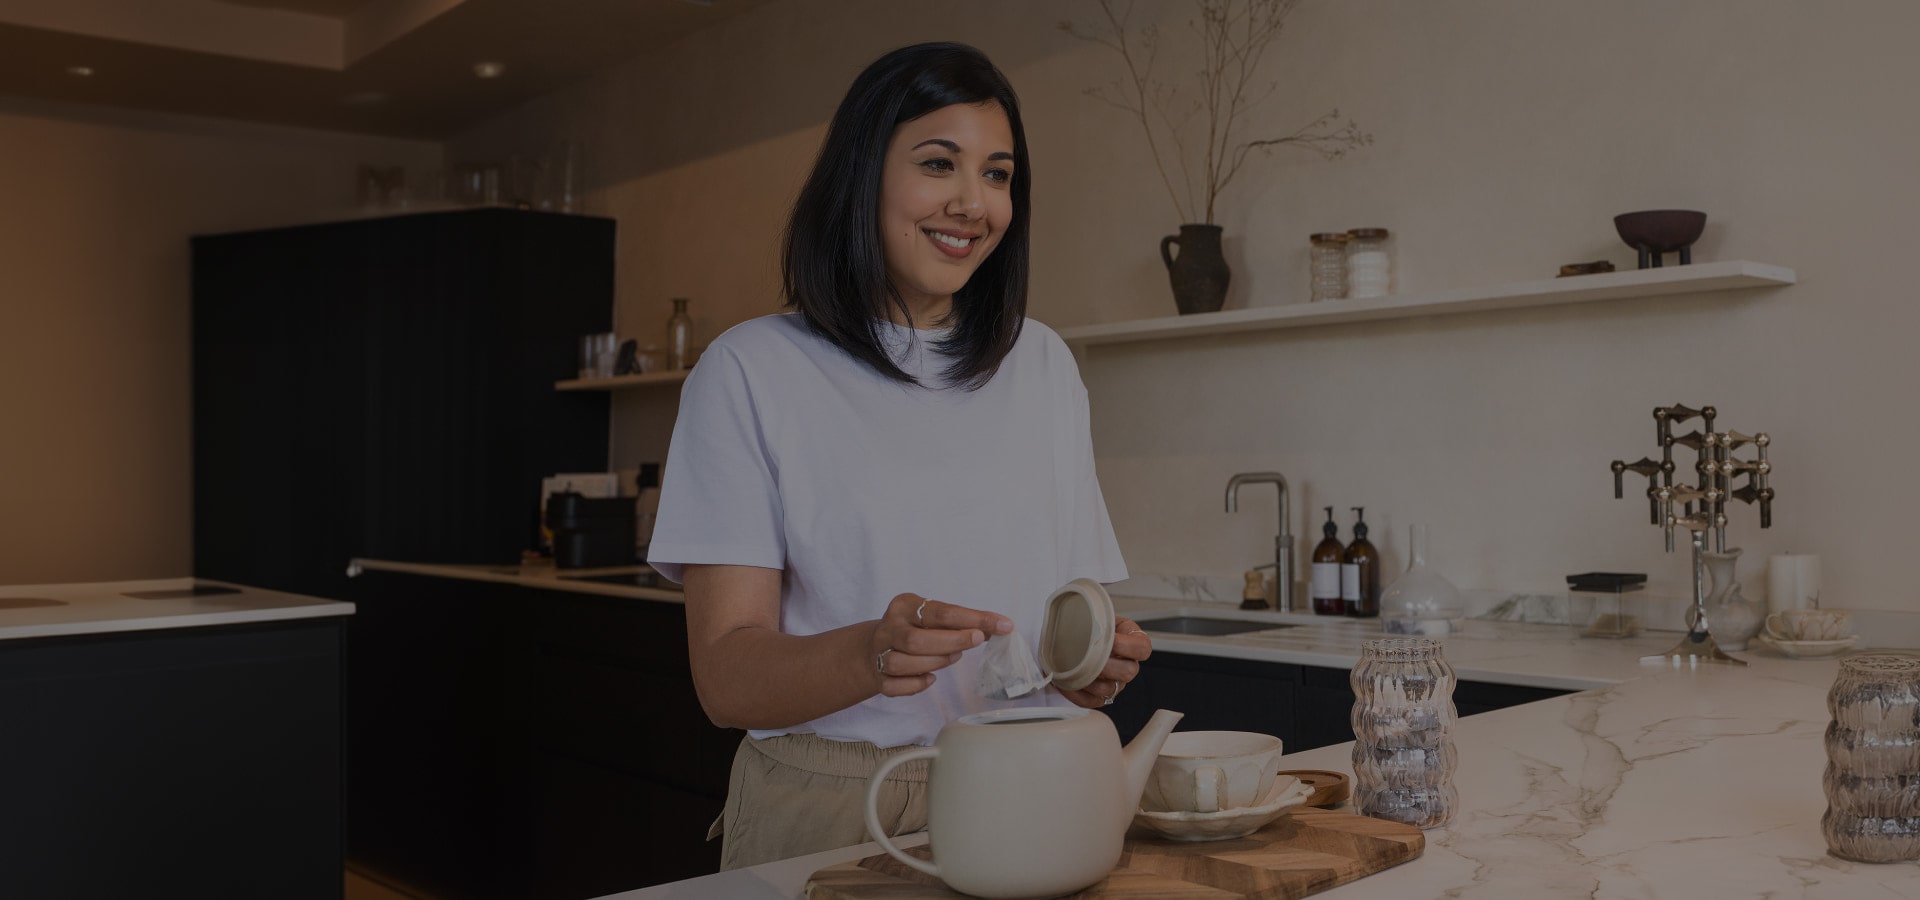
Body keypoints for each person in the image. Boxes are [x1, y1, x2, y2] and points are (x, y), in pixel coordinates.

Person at [645, 41, 1150, 871]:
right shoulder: (750, 370)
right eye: (938, 164)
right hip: (836, 804)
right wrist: (867, 654)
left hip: (1036, 780)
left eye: (997, 174)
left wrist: (1086, 669)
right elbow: (726, 677)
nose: (972, 203)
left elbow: (1055, 614)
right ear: (861, 173)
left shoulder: (1044, 366)